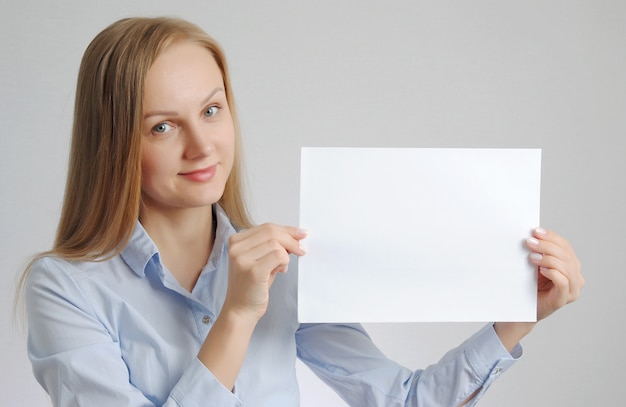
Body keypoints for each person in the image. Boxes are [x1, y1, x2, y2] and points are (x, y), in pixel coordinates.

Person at [21, 17, 584, 407]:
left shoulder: (286, 272)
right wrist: (238, 315)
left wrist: (521, 314)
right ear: (114, 141)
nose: (202, 145)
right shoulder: (66, 287)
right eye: (162, 126)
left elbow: (402, 400)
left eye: (212, 110)